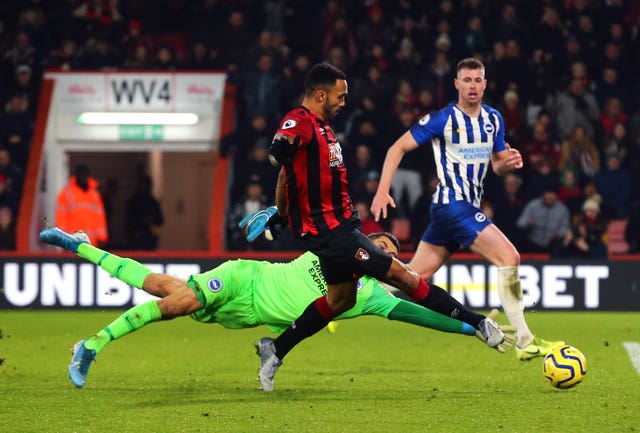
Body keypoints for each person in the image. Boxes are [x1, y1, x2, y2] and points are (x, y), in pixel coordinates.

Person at [257, 62, 508, 391]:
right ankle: (478, 323)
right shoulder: (301, 122)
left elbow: (286, 175)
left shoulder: (324, 128)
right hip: (333, 233)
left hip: (340, 227)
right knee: (403, 276)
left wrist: (280, 210)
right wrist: (280, 158)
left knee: (340, 300)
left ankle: (274, 349)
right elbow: (279, 155)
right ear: (320, 94)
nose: (343, 102)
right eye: (339, 96)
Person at [38, 227, 515, 389]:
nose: (380, 249)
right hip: (245, 276)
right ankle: (92, 345)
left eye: (388, 251)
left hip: (242, 314)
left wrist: (473, 328)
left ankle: (81, 247)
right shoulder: (334, 246)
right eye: (378, 242)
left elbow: (423, 314)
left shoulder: (368, 296)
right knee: (174, 305)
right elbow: (300, 217)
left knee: (162, 287)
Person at [370, 58, 564, 361]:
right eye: (467, 80)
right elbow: (397, 148)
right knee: (509, 257)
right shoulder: (443, 119)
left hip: (459, 209)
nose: (473, 86)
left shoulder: (493, 119)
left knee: (411, 277)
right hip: (451, 205)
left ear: (485, 84)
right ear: (456, 84)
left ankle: (346, 296)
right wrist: (382, 190)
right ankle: (525, 340)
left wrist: (507, 164)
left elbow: (497, 165)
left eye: (478, 80)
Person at [55, 164, 108, 247]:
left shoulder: (94, 194)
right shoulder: (66, 193)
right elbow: (61, 217)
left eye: (85, 175)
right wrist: (62, 238)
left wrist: (101, 237)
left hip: (91, 242)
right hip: (72, 241)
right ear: (76, 176)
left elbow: (99, 217)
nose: (83, 177)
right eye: (81, 175)